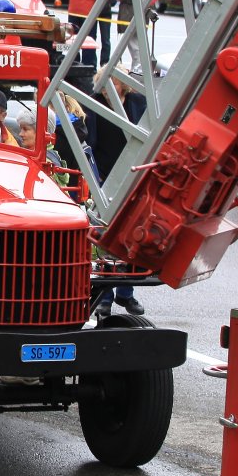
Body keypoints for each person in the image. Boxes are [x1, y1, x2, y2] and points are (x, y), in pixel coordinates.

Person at [88, 73, 149, 318]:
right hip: (106, 177)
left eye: (112, 82)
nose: (107, 88)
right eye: (103, 84)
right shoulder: (94, 103)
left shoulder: (137, 102)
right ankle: (105, 297)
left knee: (130, 234)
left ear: (122, 84)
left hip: (133, 174)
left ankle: (126, 293)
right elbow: (90, 141)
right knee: (105, 236)